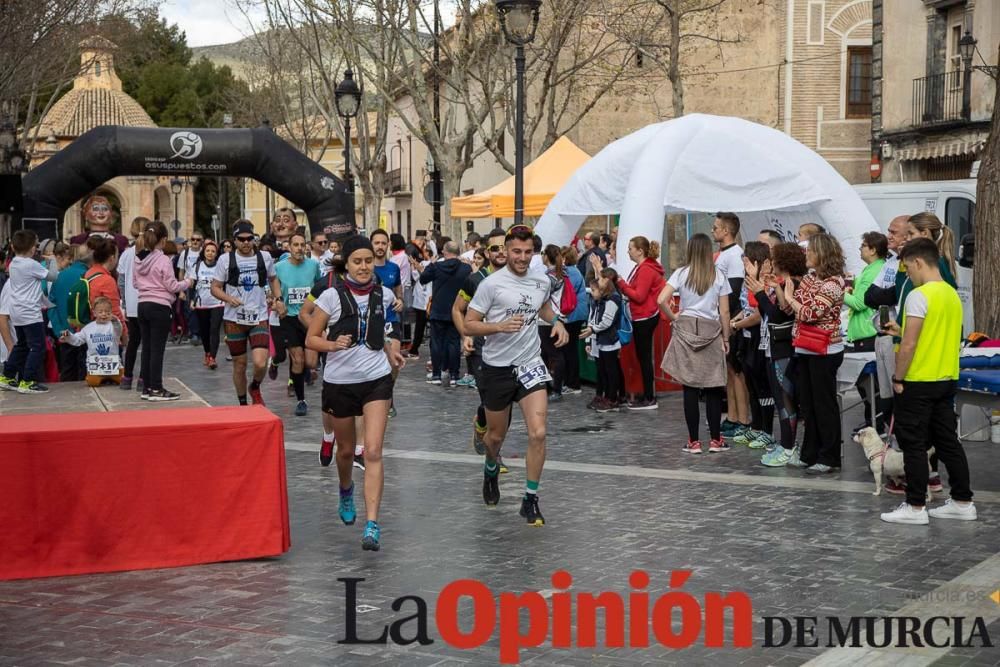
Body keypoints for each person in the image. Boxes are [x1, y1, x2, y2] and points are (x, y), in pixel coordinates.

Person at [465, 224, 570, 526]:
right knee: (496, 437)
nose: (522, 258)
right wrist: (498, 326)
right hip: (497, 368)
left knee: (538, 432)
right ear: (506, 251)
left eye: (527, 252)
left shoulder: (541, 281)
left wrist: (558, 322)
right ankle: (490, 469)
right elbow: (470, 323)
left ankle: (530, 499)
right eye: (516, 252)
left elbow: (544, 308)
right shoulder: (491, 284)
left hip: (529, 363)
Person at [305, 235, 405, 551]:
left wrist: (391, 351)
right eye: (357, 261)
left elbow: (384, 332)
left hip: (376, 381)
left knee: (373, 450)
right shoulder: (331, 297)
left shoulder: (384, 295)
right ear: (346, 264)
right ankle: (346, 488)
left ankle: (372, 524)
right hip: (340, 383)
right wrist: (332, 345)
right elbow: (311, 338)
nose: (363, 267)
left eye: (367, 261)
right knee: (345, 451)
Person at [877, 238, 974, 525]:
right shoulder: (951, 294)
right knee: (948, 442)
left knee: (914, 444)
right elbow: (935, 333)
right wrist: (901, 329)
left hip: (917, 380)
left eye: (907, 267)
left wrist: (898, 377)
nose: (908, 274)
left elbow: (909, 345)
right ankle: (962, 501)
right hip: (946, 377)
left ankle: (915, 505)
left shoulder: (919, 296)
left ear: (918, 262)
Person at [658, 234, 733, 454]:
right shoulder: (718, 275)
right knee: (713, 386)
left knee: (689, 386)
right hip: (711, 329)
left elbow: (661, 299)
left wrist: (674, 318)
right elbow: (725, 311)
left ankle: (693, 441)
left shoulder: (681, 273)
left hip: (686, 328)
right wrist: (726, 337)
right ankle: (716, 440)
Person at [782, 233, 846, 474]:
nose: (806, 255)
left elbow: (811, 313)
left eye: (810, 251)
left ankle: (829, 456)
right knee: (807, 404)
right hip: (804, 346)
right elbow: (794, 306)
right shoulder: (809, 279)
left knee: (823, 404)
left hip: (825, 349)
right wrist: (792, 297)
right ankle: (810, 453)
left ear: (822, 254)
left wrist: (794, 299)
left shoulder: (834, 283)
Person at [453, 228, 509, 464]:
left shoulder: (517, 279)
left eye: (504, 247)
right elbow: (457, 309)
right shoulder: (475, 280)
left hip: (508, 348)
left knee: (503, 404)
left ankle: (483, 422)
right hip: (480, 348)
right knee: (490, 399)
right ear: (487, 252)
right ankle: (495, 456)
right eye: (495, 248)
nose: (500, 252)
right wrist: (464, 334)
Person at [211, 220, 283, 406]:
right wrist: (228, 298)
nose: (245, 242)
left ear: (254, 238)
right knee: (240, 364)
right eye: (241, 239)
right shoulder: (225, 260)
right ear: (234, 240)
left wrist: (279, 299)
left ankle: (255, 386)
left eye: (249, 238)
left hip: (259, 316)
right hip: (234, 319)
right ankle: (243, 403)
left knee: (260, 362)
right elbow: (215, 288)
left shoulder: (264, 257)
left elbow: (274, 280)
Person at [133, 221, 195, 401]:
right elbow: (172, 285)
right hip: (159, 306)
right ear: (164, 239)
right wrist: (187, 282)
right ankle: (157, 388)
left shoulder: (138, 258)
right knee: (157, 350)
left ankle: (146, 387)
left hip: (142, 304)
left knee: (147, 348)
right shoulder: (163, 260)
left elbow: (135, 283)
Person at [605, 235, 665, 410]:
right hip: (642, 316)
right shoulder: (643, 268)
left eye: (630, 248)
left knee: (644, 358)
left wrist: (622, 283)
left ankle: (649, 397)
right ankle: (647, 394)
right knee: (642, 357)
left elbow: (639, 296)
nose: (628, 251)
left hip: (645, 316)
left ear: (640, 251)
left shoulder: (646, 270)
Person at [728, 242, 776, 449]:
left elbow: (758, 314)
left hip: (758, 336)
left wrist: (737, 324)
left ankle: (767, 429)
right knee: (752, 385)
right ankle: (756, 426)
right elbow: (745, 308)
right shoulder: (749, 282)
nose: (743, 264)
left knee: (762, 386)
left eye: (747, 260)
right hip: (746, 337)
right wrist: (734, 321)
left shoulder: (764, 283)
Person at [0, 229, 58, 393]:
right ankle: (27, 380)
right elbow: (53, 276)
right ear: (33, 248)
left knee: (22, 345)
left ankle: (8, 375)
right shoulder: (30, 264)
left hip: (17, 311)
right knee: (37, 347)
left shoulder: (14, 263)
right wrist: (52, 260)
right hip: (30, 313)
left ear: (13, 246)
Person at [844, 231, 888, 431]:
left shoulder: (873, 271)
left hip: (867, 332)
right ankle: (873, 421)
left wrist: (840, 293)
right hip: (863, 332)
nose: (860, 249)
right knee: (867, 386)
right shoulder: (871, 269)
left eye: (863, 245)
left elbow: (860, 303)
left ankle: (875, 423)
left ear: (873, 249)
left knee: (870, 386)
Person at [274, 232, 321, 415]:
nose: (299, 248)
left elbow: (319, 287)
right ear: (289, 247)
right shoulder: (278, 267)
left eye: (302, 245)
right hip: (289, 318)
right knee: (298, 359)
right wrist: (276, 302)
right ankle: (301, 400)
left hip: (309, 317)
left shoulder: (313, 265)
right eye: (296, 245)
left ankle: (298, 375)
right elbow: (269, 288)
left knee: (310, 362)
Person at [712, 212, 750, 436]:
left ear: (727, 231)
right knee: (729, 370)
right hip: (722, 317)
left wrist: (727, 319)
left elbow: (734, 291)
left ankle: (743, 418)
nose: (713, 230)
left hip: (732, 318)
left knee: (737, 371)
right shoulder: (722, 255)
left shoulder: (735, 255)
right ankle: (732, 415)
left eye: (716, 227)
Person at [415, 240, 471, 386]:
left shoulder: (437, 267)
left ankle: (436, 375)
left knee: (437, 343)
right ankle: (454, 375)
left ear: (444, 252)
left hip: (438, 310)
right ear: (458, 252)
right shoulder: (465, 268)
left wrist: (431, 264)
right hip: (457, 311)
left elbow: (423, 279)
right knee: (454, 343)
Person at [59, 296, 125, 386]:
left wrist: (115, 320)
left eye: (107, 312)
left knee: (123, 381)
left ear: (111, 313)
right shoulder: (88, 328)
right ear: (94, 313)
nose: (104, 314)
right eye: (100, 312)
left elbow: (119, 329)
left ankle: (111, 378)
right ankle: (100, 378)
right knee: (92, 382)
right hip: (96, 367)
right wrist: (68, 336)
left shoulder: (113, 326)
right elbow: (78, 339)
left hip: (114, 365)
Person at [50, 244, 92, 382]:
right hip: (86, 331)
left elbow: (50, 305)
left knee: (67, 371)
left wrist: (58, 329)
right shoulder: (88, 276)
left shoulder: (61, 276)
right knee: (85, 372)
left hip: (64, 331)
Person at [582, 268, 623, 412]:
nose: (599, 282)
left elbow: (607, 321)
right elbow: (594, 317)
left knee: (610, 370)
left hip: (609, 340)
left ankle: (612, 398)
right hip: (602, 339)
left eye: (601, 279)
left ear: (607, 281)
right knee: (604, 370)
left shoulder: (613, 299)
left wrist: (592, 330)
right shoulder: (603, 299)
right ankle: (606, 396)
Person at [119, 216, 148, 390]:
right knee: (148, 343)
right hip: (147, 301)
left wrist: (124, 300)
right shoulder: (150, 252)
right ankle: (143, 379)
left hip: (131, 303)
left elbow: (121, 280)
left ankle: (127, 376)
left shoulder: (126, 253)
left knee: (133, 342)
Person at [540, 244, 569, 400]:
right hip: (558, 316)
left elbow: (542, 298)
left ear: (547, 256)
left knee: (554, 354)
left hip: (549, 319)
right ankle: (548, 387)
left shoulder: (549, 277)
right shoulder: (562, 273)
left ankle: (555, 389)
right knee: (549, 354)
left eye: (543, 253)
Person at [191, 240, 225, 369]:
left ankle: (213, 357)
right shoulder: (198, 266)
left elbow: (226, 283)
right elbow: (192, 285)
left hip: (218, 302)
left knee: (214, 330)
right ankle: (207, 352)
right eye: (208, 251)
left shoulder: (220, 267)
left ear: (216, 254)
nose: (210, 253)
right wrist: (191, 300)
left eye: (213, 251)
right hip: (202, 303)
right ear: (204, 253)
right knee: (204, 331)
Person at [84, 237, 127, 333]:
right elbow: (115, 312)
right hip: (104, 332)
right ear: (111, 258)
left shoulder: (89, 273)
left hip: (89, 327)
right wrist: (124, 333)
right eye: (117, 255)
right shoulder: (107, 280)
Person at [560, 245, 588, 394]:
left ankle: (572, 383)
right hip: (578, 313)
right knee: (570, 349)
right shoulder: (575, 271)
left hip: (572, 314)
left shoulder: (569, 273)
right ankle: (572, 382)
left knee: (569, 350)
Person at [177, 231, 205, 346]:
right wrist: (181, 289)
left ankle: (202, 332)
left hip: (202, 284)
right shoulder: (185, 253)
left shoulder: (204, 252)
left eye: (198, 240)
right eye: (193, 239)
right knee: (189, 310)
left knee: (202, 308)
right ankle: (194, 333)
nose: (195, 242)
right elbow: (181, 271)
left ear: (201, 242)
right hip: (189, 284)